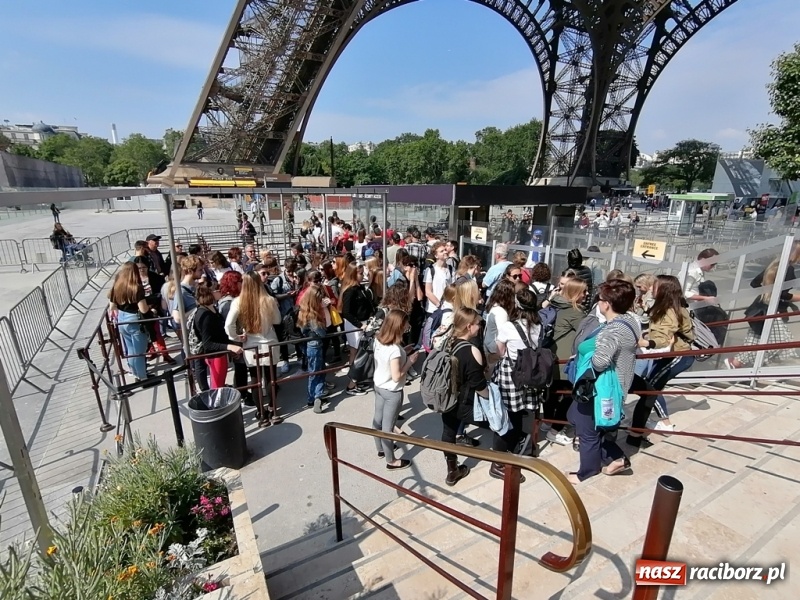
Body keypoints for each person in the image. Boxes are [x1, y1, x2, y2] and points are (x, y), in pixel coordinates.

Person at [566, 279, 640, 484]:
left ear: (606, 304)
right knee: (576, 416)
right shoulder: (630, 321)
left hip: (600, 388)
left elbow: (600, 362)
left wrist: (591, 349)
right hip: (617, 383)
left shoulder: (611, 332)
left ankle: (587, 472)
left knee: (587, 429)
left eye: (600, 298)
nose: (597, 301)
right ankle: (616, 458)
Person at [490, 288, 542, 479]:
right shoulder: (539, 325)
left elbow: (500, 350)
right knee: (519, 413)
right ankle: (517, 446)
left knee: (504, 415)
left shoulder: (509, 327)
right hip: (529, 374)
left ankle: (498, 461)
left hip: (510, 373)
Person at [726, 245, 800, 369]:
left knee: (758, 340)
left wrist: (767, 294)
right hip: (771, 311)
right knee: (780, 342)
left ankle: (743, 364)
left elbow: (755, 283)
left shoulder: (775, 264)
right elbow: (782, 293)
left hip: (761, 308)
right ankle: (741, 363)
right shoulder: (788, 269)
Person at [636, 275, 695, 432]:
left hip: (678, 356)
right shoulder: (669, 306)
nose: (650, 289)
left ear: (663, 290)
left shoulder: (670, 310)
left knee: (650, 388)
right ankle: (660, 422)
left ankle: (664, 424)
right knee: (651, 385)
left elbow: (663, 336)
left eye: (654, 286)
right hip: (671, 354)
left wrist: (646, 343)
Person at [224, 272, 282, 419]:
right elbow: (277, 320)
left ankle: (261, 412)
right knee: (271, 378)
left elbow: (228, 325)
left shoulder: (238, 301)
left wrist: (236, 337)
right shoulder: (269, 299)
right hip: (269, 341)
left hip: (250, 343)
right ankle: (273, 409)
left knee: (255, 379)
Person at [440, 308, 487, 486]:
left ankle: (452, 471)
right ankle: (500, 464)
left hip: (447, 397)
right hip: (466, 402)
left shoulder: (448, 342)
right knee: (499, 425)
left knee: (448, 432)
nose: (480, 326)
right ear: (469, 326)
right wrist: (492, 400)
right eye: (478, 324)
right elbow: (479, 384)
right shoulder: (471, 350)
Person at [372, 310, 419, 470]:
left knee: (377, 420)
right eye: (406, 323)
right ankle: (391, 460)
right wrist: (410, 361)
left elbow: (386, 361)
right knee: (388, 427)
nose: (408, 326)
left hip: (378, 386)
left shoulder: (378, 339)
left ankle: (380, 449)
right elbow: (397, 376)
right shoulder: (394, 350)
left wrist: (403, 352)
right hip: (392, 392)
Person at [545, 277, 588, 445]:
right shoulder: (575, 312)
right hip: (565, 362)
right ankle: (555, 430)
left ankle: (548, 422)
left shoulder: (555, 303)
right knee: (570, 395)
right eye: (583, 291)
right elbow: (587, 332)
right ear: (575, 293)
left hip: (553, 357)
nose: (586, 294)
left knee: (552, 394)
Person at [193, 285, 244, 389]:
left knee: (218, 384)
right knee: (217, 387)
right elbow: (208, 344)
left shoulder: (212, 310)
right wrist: (229, 347)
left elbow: (220, 333)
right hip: (215, 356)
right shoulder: (205, 315)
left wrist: (231, 345)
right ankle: (216, 404)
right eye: (217, 290)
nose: (220, 291)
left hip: (219, 354)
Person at [108, 263, 151, 381]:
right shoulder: (136, 287)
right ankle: (143, 378)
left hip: (122, 320)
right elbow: (143, 309)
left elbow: (112, 306)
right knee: (140, 352)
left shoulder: (117, 286)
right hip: (134, 321)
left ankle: (135, 373)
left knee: (131, 350)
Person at [297, 285, 336, 413]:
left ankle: (314, 397)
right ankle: (316, 397)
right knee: (316, 372)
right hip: (315, 345)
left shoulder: (304, 310)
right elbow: (322, 332)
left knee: (316, 372)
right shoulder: (313, 315)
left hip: (310, 344)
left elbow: (303, 330)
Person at [338, 262, 375, 395]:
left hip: (362, 324)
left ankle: (356, 380)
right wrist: (360, 325)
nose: (363, 275)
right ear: (353, 274)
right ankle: (351, 385)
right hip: (356, 326)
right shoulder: (350, 291)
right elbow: (346, 312)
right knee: (358, 354)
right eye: (360, 273)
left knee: (358, 353)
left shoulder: (359, 288)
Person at [424, 242, 453, 316]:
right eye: (442, 251)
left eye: (445, 250)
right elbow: (428, 292)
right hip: (433, 310)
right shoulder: (430, 270)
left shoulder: (451, 269)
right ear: (436, 255)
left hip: (448, 308)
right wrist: (439, 304)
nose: (445, 252)